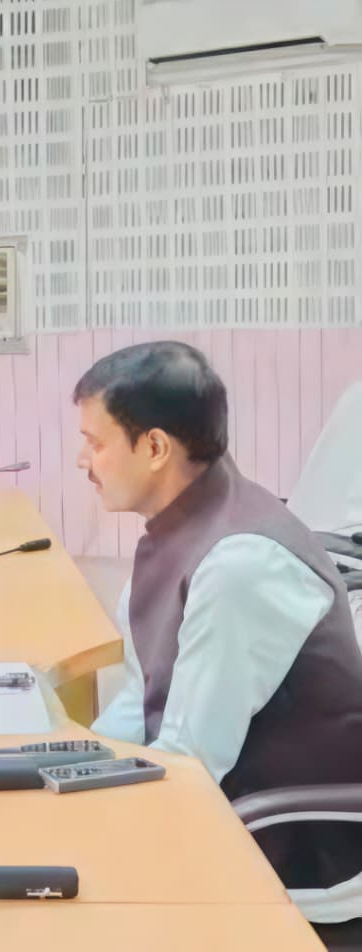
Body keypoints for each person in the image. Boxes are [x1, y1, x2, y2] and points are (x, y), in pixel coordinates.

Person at [76, 341, 362, 924]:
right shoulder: (184, 527)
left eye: (96, 443)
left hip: (288, 851)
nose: (84, 461)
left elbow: (190, 761)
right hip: (222, 812)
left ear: (155, 448)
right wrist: (67, 763)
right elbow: (144, 696)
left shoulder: (238, 565)